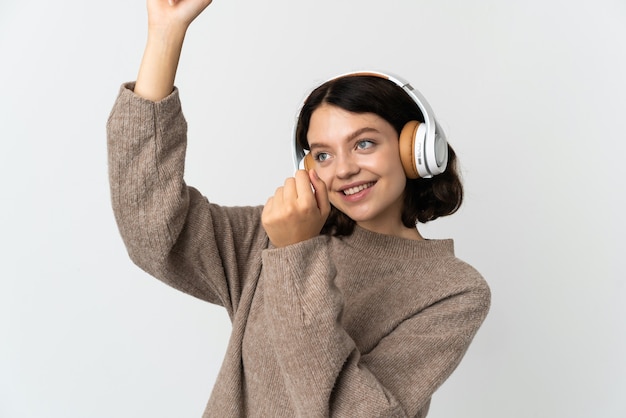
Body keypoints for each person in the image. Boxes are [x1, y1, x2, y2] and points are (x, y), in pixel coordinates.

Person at [106, 0, 491, 417]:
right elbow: (152, 230)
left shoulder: (452, 292)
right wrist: (165, 34)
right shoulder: (268, 236)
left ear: (414, 149)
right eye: (322, 155)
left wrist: (295, 256)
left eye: (364, 143)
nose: (343, 169)